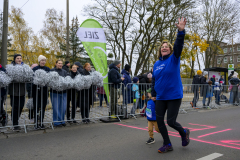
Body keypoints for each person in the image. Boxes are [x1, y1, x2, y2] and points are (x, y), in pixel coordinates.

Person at [151, 17, 190, 153]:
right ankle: (167, 144)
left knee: (171, 122)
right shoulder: (156, 64)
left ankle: (184, 132)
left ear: (170, 50)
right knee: (160, 122)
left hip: (173, 96)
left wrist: (181, 32)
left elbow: (179, 45)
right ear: (160, 50)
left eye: (167, 47)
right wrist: (154, 94)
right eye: (162, 47)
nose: (164, 48)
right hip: (161, 97)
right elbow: (154, 80)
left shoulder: (174, 59)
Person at [8, 54, 26, 131]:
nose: (19, 59)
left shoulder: (25, 67)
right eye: (17, 58)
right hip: (14, 91)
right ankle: (15, 124)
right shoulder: (10, 67)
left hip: (22, 91)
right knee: (15, 107)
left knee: (21, 106)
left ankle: (16, 120)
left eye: (20, 58)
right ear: (14, 59)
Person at [32, 55, 50, 129]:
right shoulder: (35, 69)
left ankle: (41, 122)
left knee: (43, 107)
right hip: (36, 90)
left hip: (44, 91)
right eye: (42, 60)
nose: (43, 62)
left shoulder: (47, 69)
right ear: (39, 61)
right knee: (36, 106)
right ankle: (36, 122)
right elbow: (32, 78)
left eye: (44, 60)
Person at [50, 60, 68, 127]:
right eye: (59, 63)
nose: (60, 64)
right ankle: (56, 122)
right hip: (54, 92)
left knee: (63, 107)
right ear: (56, 64)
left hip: (64, 92)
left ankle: (62, 120)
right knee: (56, 107)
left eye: (61, 63)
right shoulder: (52, 71)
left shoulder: (65, 71)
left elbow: (67, 79)